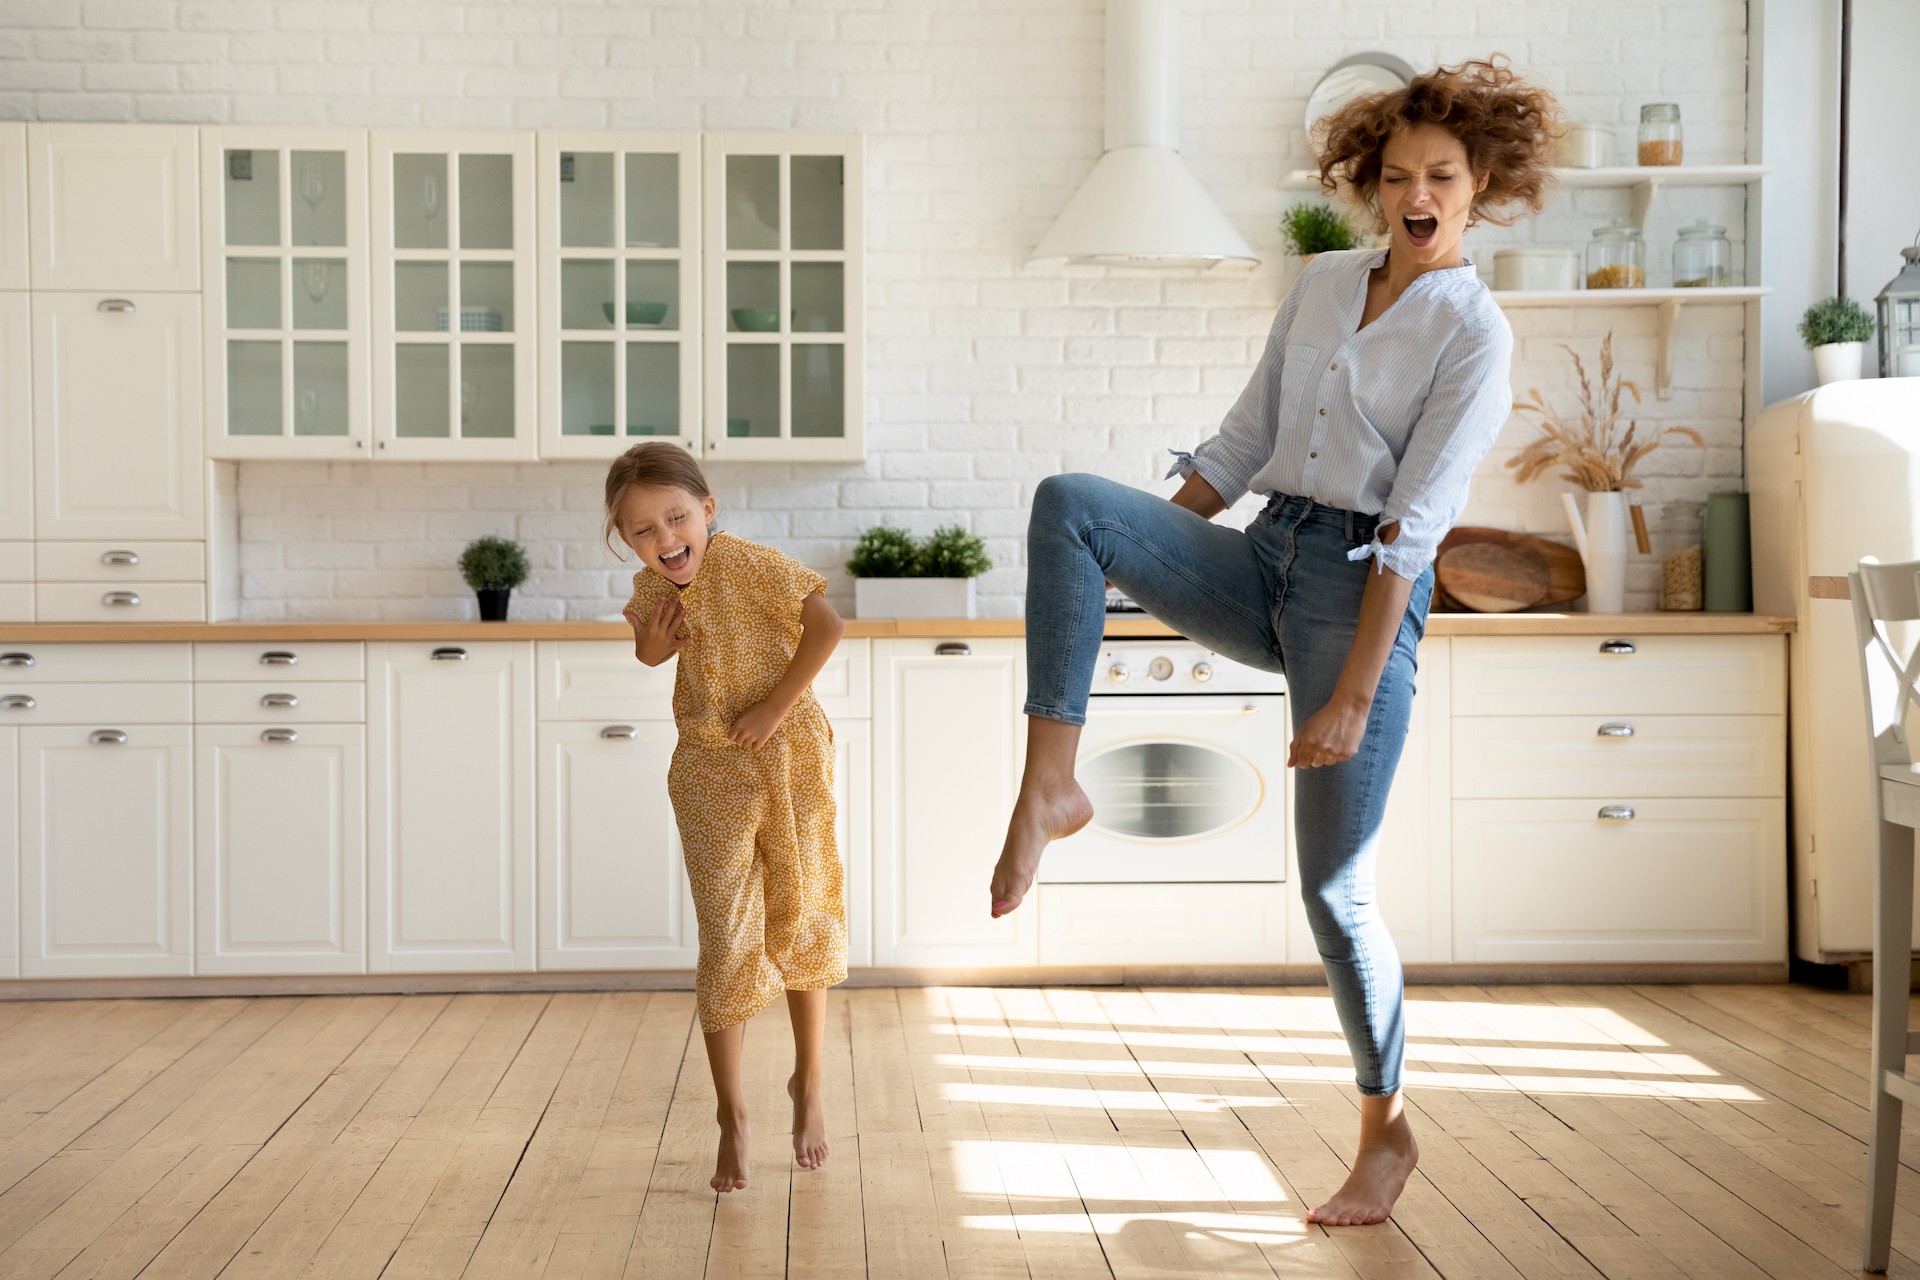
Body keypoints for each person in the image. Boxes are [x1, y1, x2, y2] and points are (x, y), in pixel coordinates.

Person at [989, 56, 1560, 1226]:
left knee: (1336, 894)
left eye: (1441, 175)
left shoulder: (1474, 331)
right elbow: (1241, 446)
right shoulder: (1318, 285)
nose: (1417, 193)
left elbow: (1415, 530)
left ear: (1481, 183)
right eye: (1397, 174)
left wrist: (1351, 693)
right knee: (1071, 502)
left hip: (1359, 600)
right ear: (1370, 184)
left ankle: (1385, 1133)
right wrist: (1138, 552)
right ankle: (1051, 784)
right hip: (1265, 552)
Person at [610, 441, 848, 1193]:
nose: (664, 541)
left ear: (707, 510)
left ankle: (808, 1082)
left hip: (789, 757)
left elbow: (827, 625)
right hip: (710, 771)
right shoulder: (653, 588)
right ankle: (731, 1114)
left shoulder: (748, 563)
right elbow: (652, 657)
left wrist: (775, 708)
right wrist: (653, 641)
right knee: (726, 936)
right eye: (642, 531)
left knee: (803, 914)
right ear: (625, 538)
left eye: (675, 519)